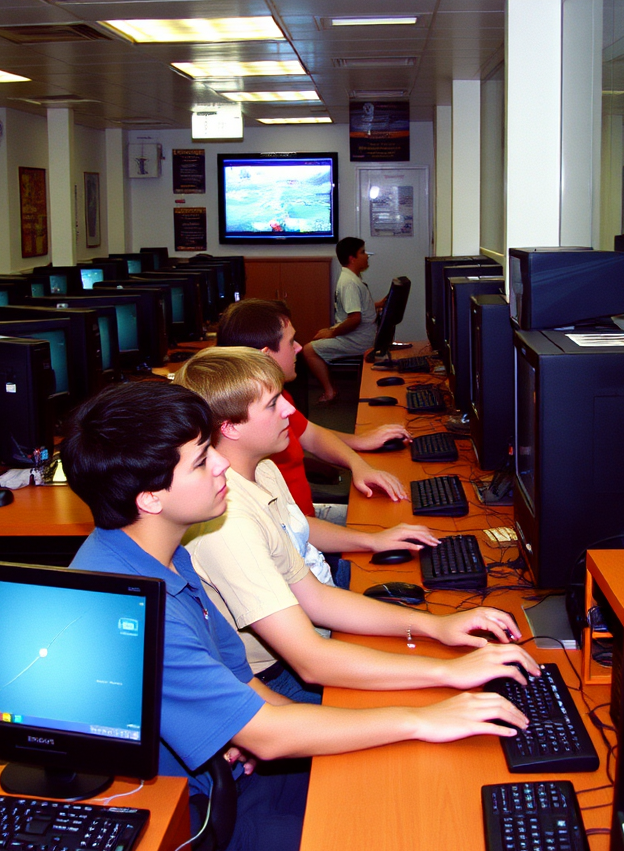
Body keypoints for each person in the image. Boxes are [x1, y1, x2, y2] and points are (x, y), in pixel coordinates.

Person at [61, 379, 534, 851]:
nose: (220, 467)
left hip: (232, 776)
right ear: (150, 498)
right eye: (199, 461)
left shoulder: (162, 551)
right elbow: (267, 734)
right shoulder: (131, 605)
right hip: (195, 833)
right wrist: (422, 717)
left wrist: (411, 713)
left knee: (408, 786)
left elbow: (248, 688)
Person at [175, 346, 538, 704]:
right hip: (277, 678)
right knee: (435, 705)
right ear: (229, 428)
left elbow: (314, 596)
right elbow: (311, 663)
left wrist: (436, 627)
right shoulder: (229, 523)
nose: (290, 409)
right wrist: (446, 671)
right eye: (273, 404)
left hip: (309, 635)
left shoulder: (262, 468)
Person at [216, 296, 411, 521]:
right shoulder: (253, 423)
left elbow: (310, 433)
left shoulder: (275, 398)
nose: (299, 348)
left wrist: (359, 454)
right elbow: (285, 531)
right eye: (291, 342)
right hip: (297, 536)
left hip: (305, 522)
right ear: (266, 355)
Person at [302, 236, 383, 403]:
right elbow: (355, 315)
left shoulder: (350, 281)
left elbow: (355, 319)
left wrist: (331, 333)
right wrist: (332, 332)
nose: (367, 256)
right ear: (352, 258)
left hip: (360, 339)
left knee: (308, 350)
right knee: (314, 344)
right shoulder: (350, 282)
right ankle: (332, 388)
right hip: (363, 334)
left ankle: (330, 391)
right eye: (363, 252)